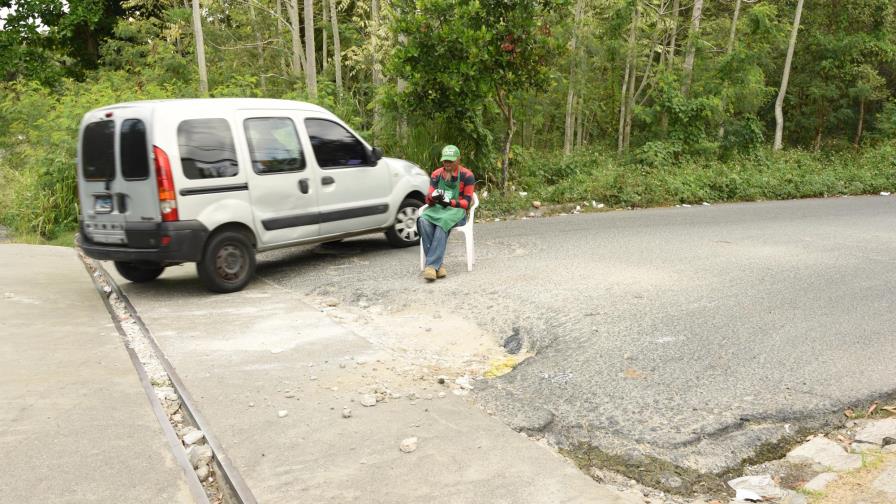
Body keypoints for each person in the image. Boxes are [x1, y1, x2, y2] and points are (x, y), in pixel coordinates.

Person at [417, 145, 476, 281]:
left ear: (458, 160)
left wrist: (450, 202)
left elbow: (467, 203)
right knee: (423, 220)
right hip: (438, 210)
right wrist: (431, 198)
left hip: (457, 212)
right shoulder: (437, 174)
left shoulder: (467, 176)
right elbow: (429, 196)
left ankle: (431, 266)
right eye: (445, 161)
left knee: (441, 223)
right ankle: (439, 265)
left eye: (450, 161)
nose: (447, 165)